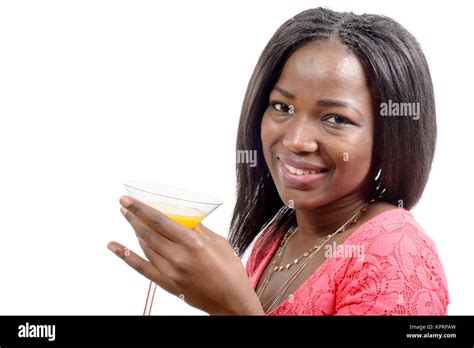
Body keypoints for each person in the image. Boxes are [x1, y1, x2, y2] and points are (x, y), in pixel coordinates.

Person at [107, 7, 449, 315]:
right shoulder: (280, 233)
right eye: (282, 107)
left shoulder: (395, 252)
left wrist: (232, 308)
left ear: (391, 134)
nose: (297, 140)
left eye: (336, 118)